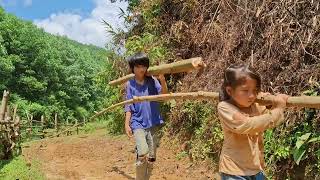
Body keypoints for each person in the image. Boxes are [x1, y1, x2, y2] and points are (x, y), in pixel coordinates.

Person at [217, 64, 289, 180]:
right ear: (230, 91)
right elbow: (249, 124)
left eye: (255, 90)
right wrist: (278, 110)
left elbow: (269, 116)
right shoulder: (225, 107)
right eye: (245, 90)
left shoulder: (255, 105)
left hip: (255, 169)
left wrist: (277, 102)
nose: (251, 96)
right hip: (234, 171)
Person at [124, 52, 168, 180]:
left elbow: (164, 96)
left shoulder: (152, 81)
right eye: (138, 66)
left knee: (151, 157)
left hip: (153, 122)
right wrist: (127, 123)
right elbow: (128, 106)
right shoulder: (130, 84)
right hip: (137, 123)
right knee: (142, 151)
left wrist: (162, 80)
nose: (141, 69)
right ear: (133, 68)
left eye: (143, 66)